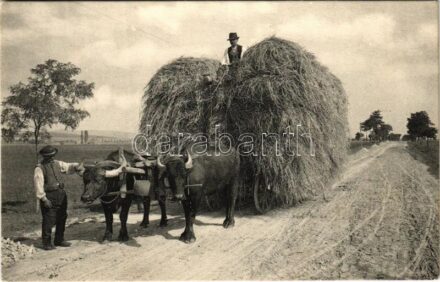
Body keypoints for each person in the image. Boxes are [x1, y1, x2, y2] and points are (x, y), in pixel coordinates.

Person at [34, 145, 81, 250]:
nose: (51, 158)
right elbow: (38, 185)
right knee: (48, 219)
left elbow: (68, 167)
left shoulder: (57, 163)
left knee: (62, 217)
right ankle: (46, 243)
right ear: (44, 157)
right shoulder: (39, 168)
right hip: (49, 196)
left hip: (61, 194)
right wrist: (44, 199)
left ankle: (59, 239)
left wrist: (77, 166)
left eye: (52, 156)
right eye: (49, 156)